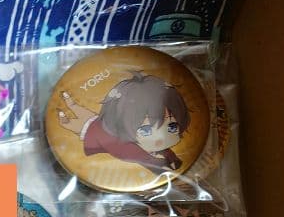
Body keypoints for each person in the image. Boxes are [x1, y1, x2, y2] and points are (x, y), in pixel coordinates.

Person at [56, 73, 191, 173]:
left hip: (108, 126)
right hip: (97, 135)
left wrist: (171, 158)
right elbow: (146, 160)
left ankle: (73, 106)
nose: (160, 139)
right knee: (77, 119)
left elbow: (160, 148)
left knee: (80, 112)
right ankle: (72, 107)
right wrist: (163, 166)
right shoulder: (126, 148)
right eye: (145, 130)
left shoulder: (142, 136)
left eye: (172, 126)